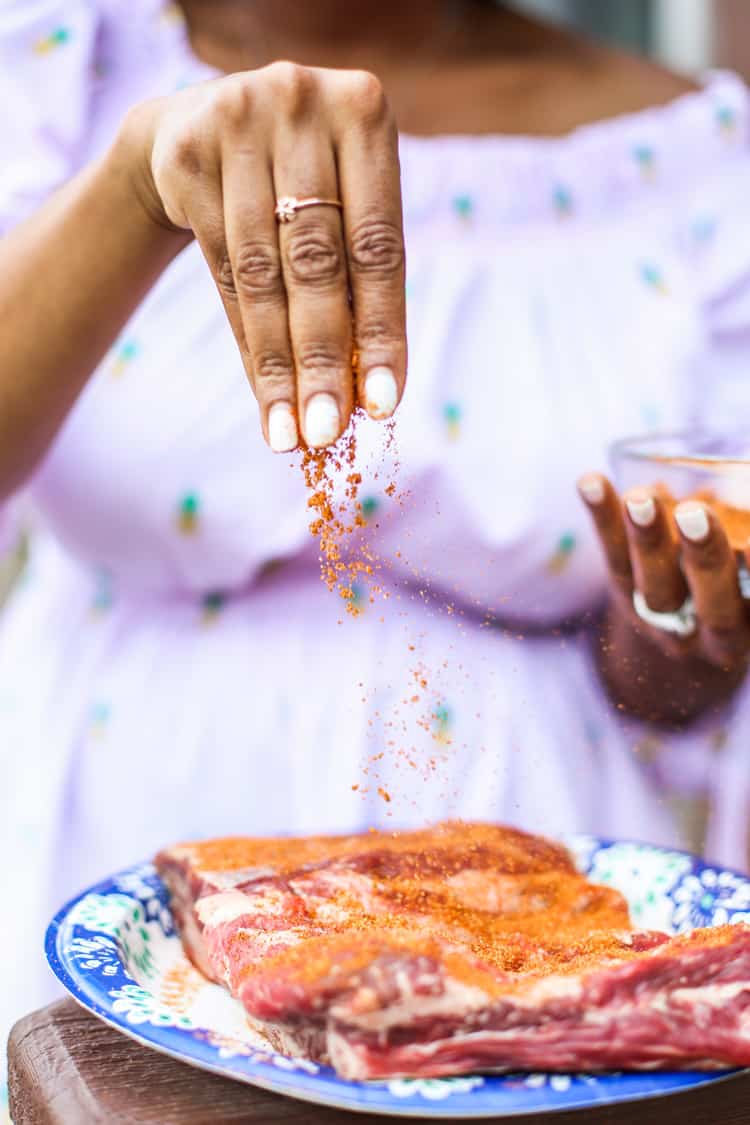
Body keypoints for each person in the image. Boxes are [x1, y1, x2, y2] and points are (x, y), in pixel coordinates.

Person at [2, 0, 750, 1063]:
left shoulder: (703, 156)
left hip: (530, 909)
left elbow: (660, 673)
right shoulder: (57, 64)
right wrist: (132, 186)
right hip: (124, 857)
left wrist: (676, 637)